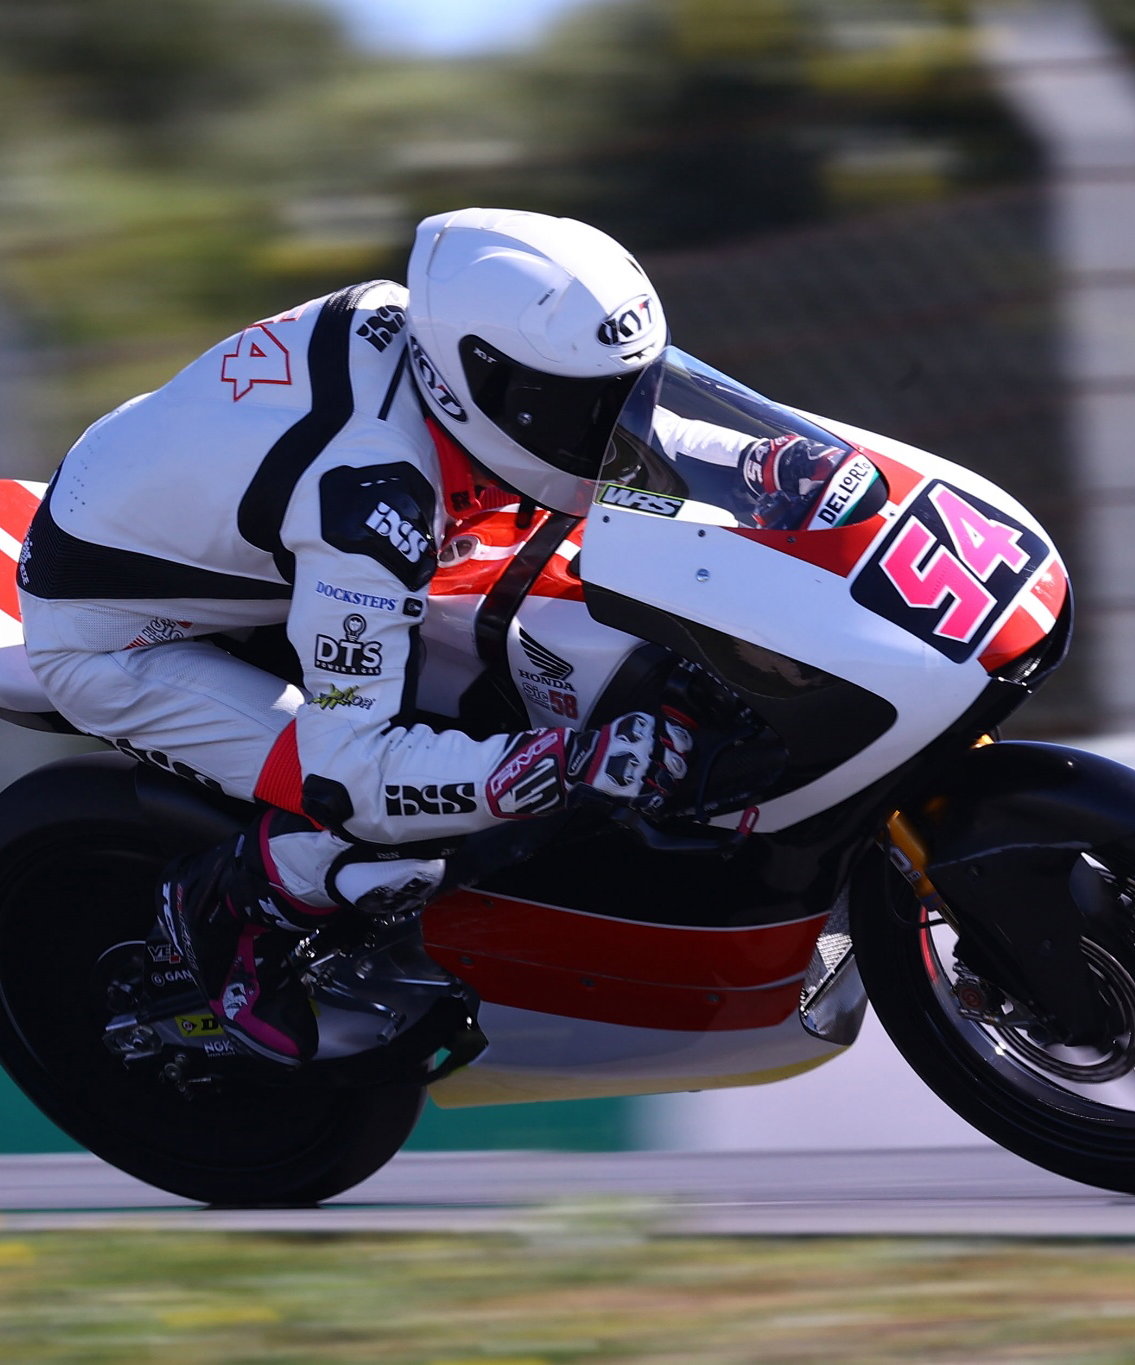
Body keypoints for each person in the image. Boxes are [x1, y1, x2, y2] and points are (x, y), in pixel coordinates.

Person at [16, 207, 825, 1068]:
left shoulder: (448, 338)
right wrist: (574, 761)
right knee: (368, 821)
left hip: (229, 540)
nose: (607, 425)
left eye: (624, 392)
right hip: (127, 642)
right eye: (576, 406)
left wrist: (748, 459)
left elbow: (612, 416)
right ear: (474, 378)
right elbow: (352, 768)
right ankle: (232, 922)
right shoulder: (370, 499)